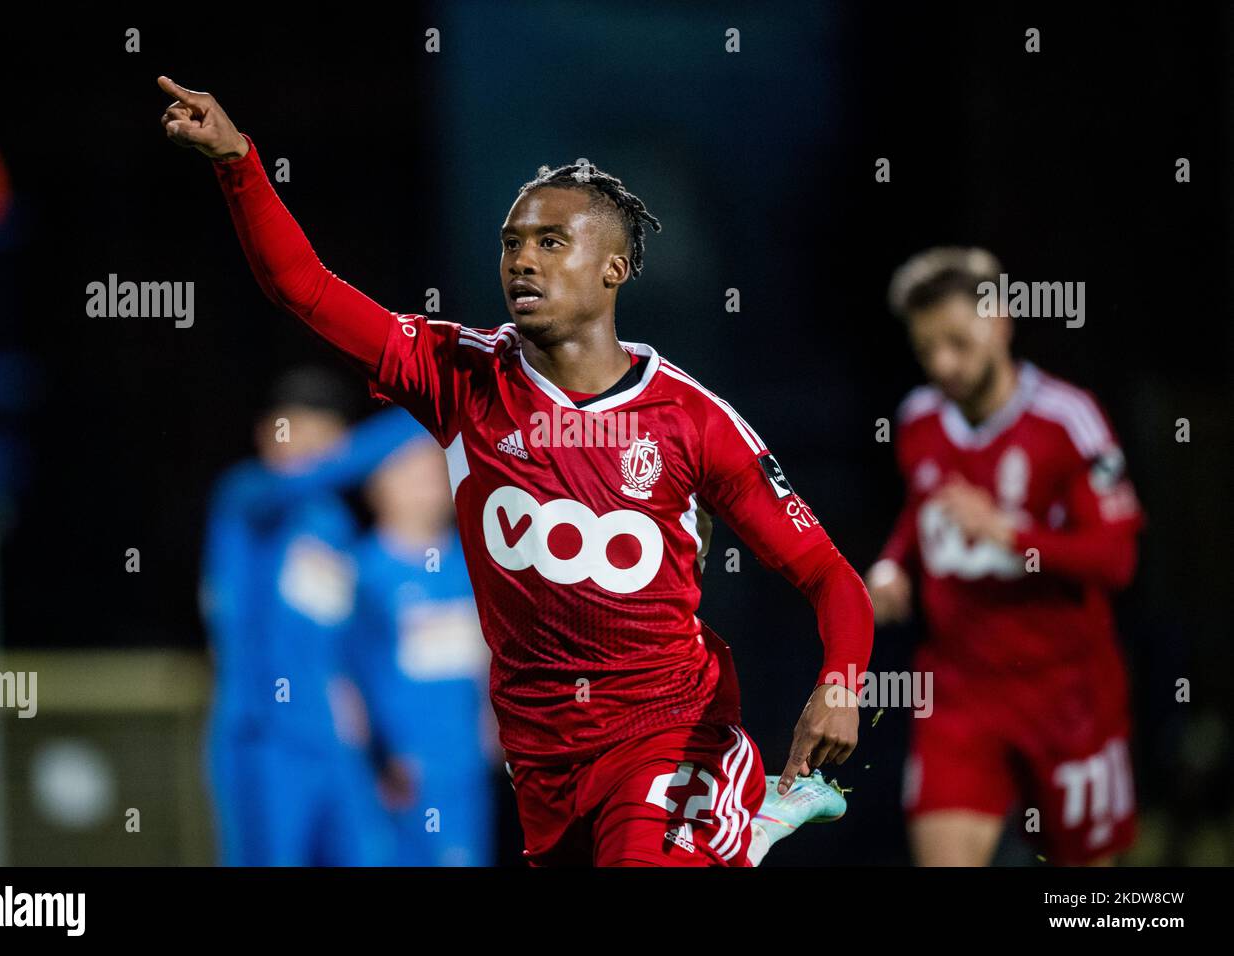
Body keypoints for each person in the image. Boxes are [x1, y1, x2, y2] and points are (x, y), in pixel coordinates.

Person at [161, 76, 872, 867]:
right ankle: (743, 828)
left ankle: (731, 811)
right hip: (543, 757)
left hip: (666, 729)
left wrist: (839, 683)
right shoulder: (457, 375)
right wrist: (238, 162)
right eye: (511, 243)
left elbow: (829, 575)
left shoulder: (692, 419)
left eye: (549, 242)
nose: (521, 261)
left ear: (614, 268)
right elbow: (304, 289)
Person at [868, 247, 1143, 866]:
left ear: (1000, 322)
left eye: (958, 342)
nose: (943, 364)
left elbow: (1117, 561)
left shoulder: (1068, 421)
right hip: (960, 694)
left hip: (1068, 698)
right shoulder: (918, 419)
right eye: (926, 348)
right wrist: (892, 565)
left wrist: (1013, 535)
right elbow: (922, 513)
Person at [201, 368, 419, 865]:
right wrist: (426, 417)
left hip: (332, 742)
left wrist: (384, 745)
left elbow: (345, 645)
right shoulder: (247, 499)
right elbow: (312, 477)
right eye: (295, 430)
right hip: (264, 737)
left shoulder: (334, 527)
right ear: (266, 433)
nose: (311, 449)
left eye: (325, 435)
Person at [351, 431, 501, 866]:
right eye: (411, 473)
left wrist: (493, 721)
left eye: (435, 473)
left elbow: (488, 654)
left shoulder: (476, 564)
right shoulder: (360, 571)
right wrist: (376, 753)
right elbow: (343, 672)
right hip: (389, 769)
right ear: (377, 485)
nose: (428, 484)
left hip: (463, 763)